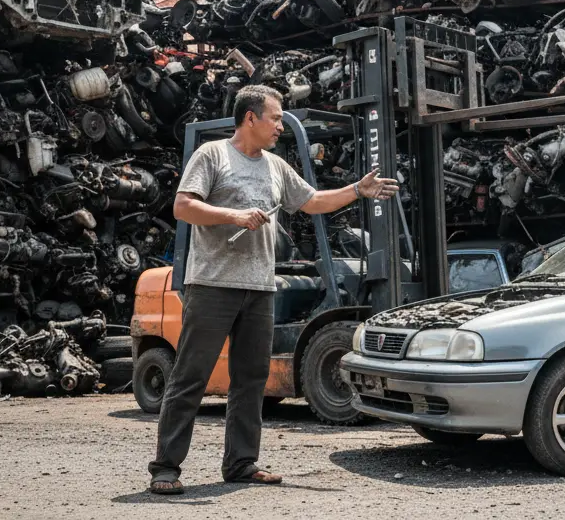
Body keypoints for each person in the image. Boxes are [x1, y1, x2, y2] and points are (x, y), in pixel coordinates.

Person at [148, 85, 398, 494]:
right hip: (212, 285)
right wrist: (234, 214)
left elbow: (313, 200)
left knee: (251, 379)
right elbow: (183, 206)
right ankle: (165, 467)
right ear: (250, 118)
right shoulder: (212, 156)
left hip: (260, 287)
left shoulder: (276, 166)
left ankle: (241, 464)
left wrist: (357, 190)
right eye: (276, 117)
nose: (280, 125)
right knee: (190, 376)